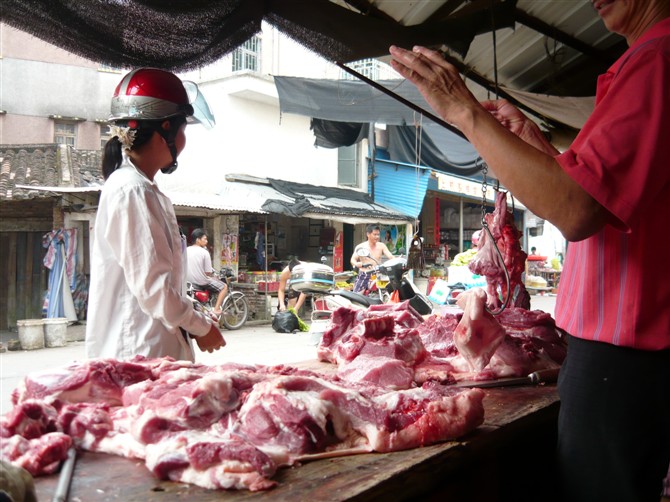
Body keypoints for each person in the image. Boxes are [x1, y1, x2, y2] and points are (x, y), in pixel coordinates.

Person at [389, 1, 670, 500]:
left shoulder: (656, 60)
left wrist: (464, 110)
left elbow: (578, 211)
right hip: (632, 359)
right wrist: (539, 148)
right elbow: (601, 194)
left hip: (626, 359)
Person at [86, 68, 225, 362]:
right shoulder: (132, 191)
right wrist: (201, 328)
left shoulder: (143, 190)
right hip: (138, 357)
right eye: (183, 129)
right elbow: (155, 289)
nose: (184, 139)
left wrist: (194, 322)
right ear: (165, 131)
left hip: (152, 354)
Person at [187, 229, 228, 316]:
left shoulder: (185, 250)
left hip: (187, 282)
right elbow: (208, 272)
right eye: (204, 239)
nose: (206, 241)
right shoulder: (204, 252)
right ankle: (216, 309)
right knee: (224, 287)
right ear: (198, 240)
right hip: (200, 282)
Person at [350, 224, 394, 293]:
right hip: (364, 275)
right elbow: (353, 259)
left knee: (386, 294)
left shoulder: (382, 246)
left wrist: (397, 261)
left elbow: (391, 256)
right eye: (375, 234)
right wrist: (356, 264)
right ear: (368, 234)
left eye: (378, 234)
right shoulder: (361, 246)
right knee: (356, 296)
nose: (377, 237)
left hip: (378, 275)